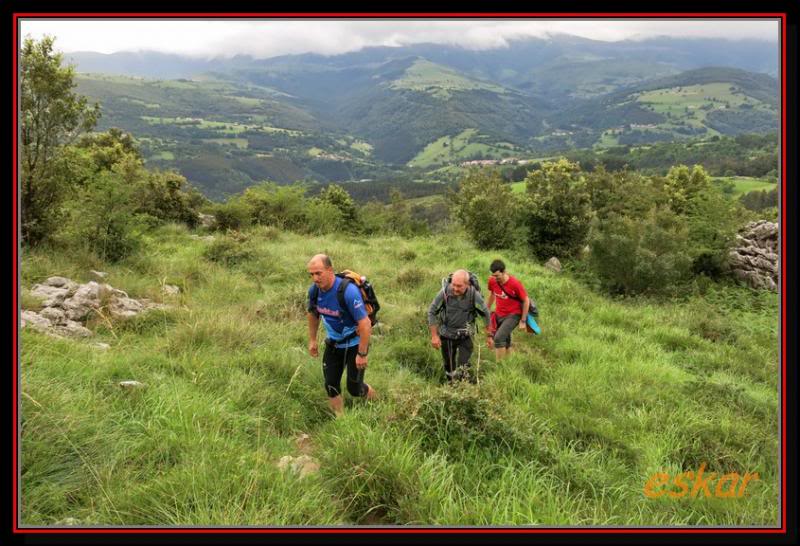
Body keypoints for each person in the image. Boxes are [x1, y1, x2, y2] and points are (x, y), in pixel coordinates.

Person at [306, 254, 376, 417]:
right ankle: (342, 422)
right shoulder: (315, 291)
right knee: (331, 385)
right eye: (311, 274)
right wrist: (312, 340)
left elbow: (365, 324)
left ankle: (378, 402)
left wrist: (362, 353)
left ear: (329, 270)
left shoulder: (348, 292)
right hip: (333, 344)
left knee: (355, 389)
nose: (315, 278)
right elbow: (313, 314)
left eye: (318, 273)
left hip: (355, 345)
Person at [427, 269, 492, 383]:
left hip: (466, 335)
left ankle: (463, 386)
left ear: (467, 284)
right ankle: (451, 384)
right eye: (454, 285)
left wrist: (489, 336)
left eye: (459, 286)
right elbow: (432, 311)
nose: (455, 288)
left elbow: (485, 313)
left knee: (464, 365)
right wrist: (434, 336)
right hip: (447, 334)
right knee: (449, 365)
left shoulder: (473, 295)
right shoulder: (445, 292)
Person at [486, 259, 530, 360]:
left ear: (504, 272)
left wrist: (523, 321)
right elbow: (492, 293)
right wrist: (487, 308)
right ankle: (509, 363)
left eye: (497, 276)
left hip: (513, 314)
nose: (495, 278)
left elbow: (526, 300)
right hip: (499, 314)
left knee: (498, 338)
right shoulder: (492, 281)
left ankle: (499, 366)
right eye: (493, 276)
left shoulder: (514, 284)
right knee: (506, 341)